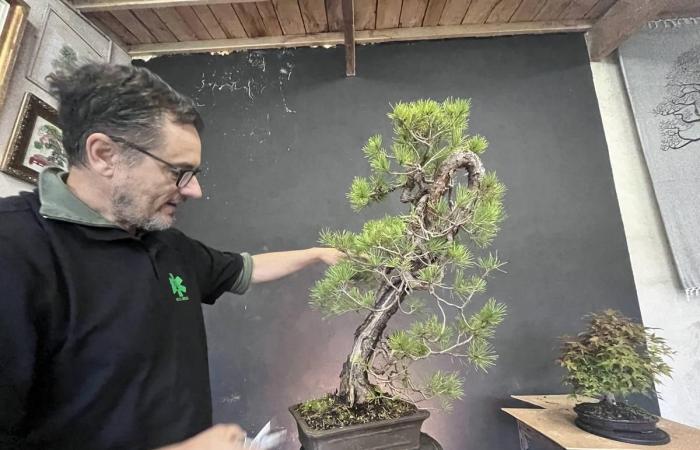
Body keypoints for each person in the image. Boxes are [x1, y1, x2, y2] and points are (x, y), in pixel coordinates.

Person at [0, 63, 342, 450]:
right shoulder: (15, 249)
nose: (193, 190)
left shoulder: (166, 245)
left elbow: (244, 268)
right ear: (104, 155)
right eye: (179, 171)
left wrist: (317, 254)